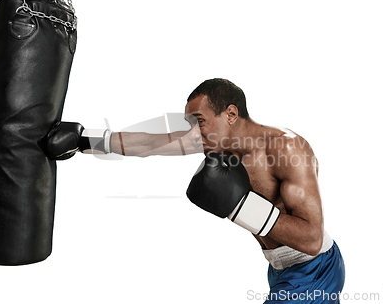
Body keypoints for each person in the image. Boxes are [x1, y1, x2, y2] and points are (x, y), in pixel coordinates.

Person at [42, 78, 345, 303]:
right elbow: (149, 143)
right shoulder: (213, 140)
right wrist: (85, 141)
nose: (194, 133)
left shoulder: (286, 148)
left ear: (230, 114)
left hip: (314, 268)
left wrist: (241, 207)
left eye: (199, 121)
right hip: (277, 267)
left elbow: (311, 238)